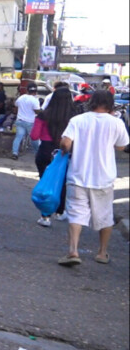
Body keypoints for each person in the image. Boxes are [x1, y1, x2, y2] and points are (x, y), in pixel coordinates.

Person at [57, 91, 129, 266]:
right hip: (104, 177)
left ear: (92, 101)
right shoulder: (116, 123)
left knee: (76, 213)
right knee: (105, 215)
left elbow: (66, 143)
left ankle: (73, 251)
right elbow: (121, 146)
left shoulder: (78, 120)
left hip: (78, 175)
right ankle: (102, 253)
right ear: (111, 104)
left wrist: (64, 149)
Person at [31, 87, 75, 227]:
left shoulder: (43, 116)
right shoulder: (75, 117)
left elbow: (34, 136)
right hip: (65, 153)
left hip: (45, 151)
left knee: (47, 184)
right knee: (61, 183)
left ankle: (45, 217)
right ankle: (61, 212)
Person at [12, 83, 41, 160]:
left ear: (27, 90)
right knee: (34, 138)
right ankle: (37, 153)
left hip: (20, 121)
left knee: (18, 137)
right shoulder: (35, 100)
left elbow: (15, 105)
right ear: (35, 91)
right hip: (30, 122)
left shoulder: (21, 97)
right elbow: (37, 111)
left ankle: (15, 153)